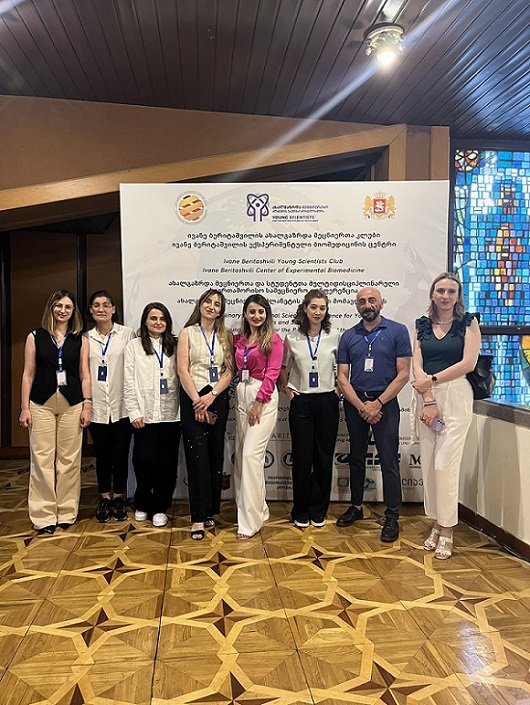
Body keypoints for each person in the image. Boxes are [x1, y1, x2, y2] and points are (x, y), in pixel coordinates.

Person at [412, 272, 480, 560]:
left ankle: (448, 529)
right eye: (440, 290)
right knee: (429, 465)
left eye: (451, 291)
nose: (445, 296)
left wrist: (433, 380)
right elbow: (417, 363)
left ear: (458, 296)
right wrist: (428, 398)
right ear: (432, 293)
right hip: (427, 396)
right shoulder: (422, 324)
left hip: (456, 396)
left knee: (444, 466)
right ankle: (437, 523)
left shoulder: (468, 323)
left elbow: (468, 363)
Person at [337, 287, 411, 542]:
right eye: (362, 301)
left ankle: (392, 516)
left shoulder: (398, 331)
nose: (367, 305)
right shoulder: (348, 336)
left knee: (389, 459)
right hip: (355, 402)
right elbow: (342, 377)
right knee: (356, 457)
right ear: (357, 306)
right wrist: (362, 406)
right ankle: (356, 506)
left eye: (371, 300)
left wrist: (377, 403)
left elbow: (404, 374)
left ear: (381, 303)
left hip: (385, 403)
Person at [19, 289, 92, 535]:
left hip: (73, 404)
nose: (63, 310)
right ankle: (44, 515)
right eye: (59, 306)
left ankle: (66, 512)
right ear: (51, 308)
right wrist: (24, 407)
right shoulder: (35, 336)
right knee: (42, 460)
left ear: (73, 312)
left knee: (69, 460)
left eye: (68, 307)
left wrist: (87, 404)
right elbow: (28, 374)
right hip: (41, 404)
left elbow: (85, 375)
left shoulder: (81, 340)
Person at [279, 289, 340, 528]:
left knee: (324, 457)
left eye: (322, 308)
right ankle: (300, 510)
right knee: (302, 458)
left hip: (327, 401)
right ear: (305, 309)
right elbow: (283, 368)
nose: (318, 312)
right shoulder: (292, 338)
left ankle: (318, 509)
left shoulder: (334, 336)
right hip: (302, 402)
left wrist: (338, 389)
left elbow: (343, 367)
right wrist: (288, 392)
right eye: (313, 307)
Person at [177, 289, 234, 541]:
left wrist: (212, 395)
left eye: (217, 304)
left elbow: (229, 370)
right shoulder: (187, 333)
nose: (212, 306)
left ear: (221, 310)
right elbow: (182, 369)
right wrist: (197, 401)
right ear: (200, 305)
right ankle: (198, 517)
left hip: (217, 397)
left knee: (214, 454)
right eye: (208, 302)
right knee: (197, 457)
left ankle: (211, 509)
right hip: (192, 397)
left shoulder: (226, 335)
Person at [124, 302, 180, 528]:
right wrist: (134, 411)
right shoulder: (134, 346)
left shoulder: (175, 345)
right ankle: (142, 503)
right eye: (153, 318)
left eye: (162, 319)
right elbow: (128, 382)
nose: (158, 322)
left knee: (167, 464)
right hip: (144, 415)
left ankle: (160, 507)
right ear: (145, 321)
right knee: (143, 461)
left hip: (171, 415)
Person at [233, 294, 283, 540]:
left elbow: (273, 374)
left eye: (261, 312)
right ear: (245, 314)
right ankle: (259, 509)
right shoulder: (239, 339)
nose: (256, 316)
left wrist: (260, 402)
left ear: (267, 314)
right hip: (241, 395)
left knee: (250, 456)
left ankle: (249, 523)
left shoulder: (273, 339)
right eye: (252, 311)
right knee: (242, 459)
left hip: (262, 397)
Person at [85, 290, 135, 522]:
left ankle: (120, 496)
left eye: (106, 305)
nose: (101, 309)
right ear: (91, 310)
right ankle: (105, 496)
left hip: (122, 405)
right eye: (96, 305)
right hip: (97, 407)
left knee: (120, 454)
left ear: (114, 309)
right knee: (102, 455)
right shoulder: (85, 338)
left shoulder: (127, 334)